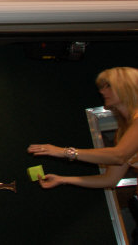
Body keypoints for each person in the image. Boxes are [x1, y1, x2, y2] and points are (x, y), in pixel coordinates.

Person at [27, 67, 138, 242]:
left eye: (108, 86)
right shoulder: (124, 132)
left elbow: (119, 155)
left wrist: (64, 152)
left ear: (127, 87)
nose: (102, 91)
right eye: (102, 87)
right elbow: (110, 179)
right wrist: (63, 179)